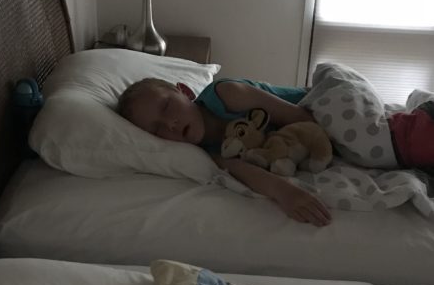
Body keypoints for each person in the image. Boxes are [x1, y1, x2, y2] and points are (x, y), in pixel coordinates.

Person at [118, 77, 332, 227]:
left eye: (167, 106)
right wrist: (287, 193)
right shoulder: (203, 153)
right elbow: (243, 170)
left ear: (185, 92)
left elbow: (300, 116)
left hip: (321, 107)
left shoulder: (226, 95)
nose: (170, 124)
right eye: (157, 129)